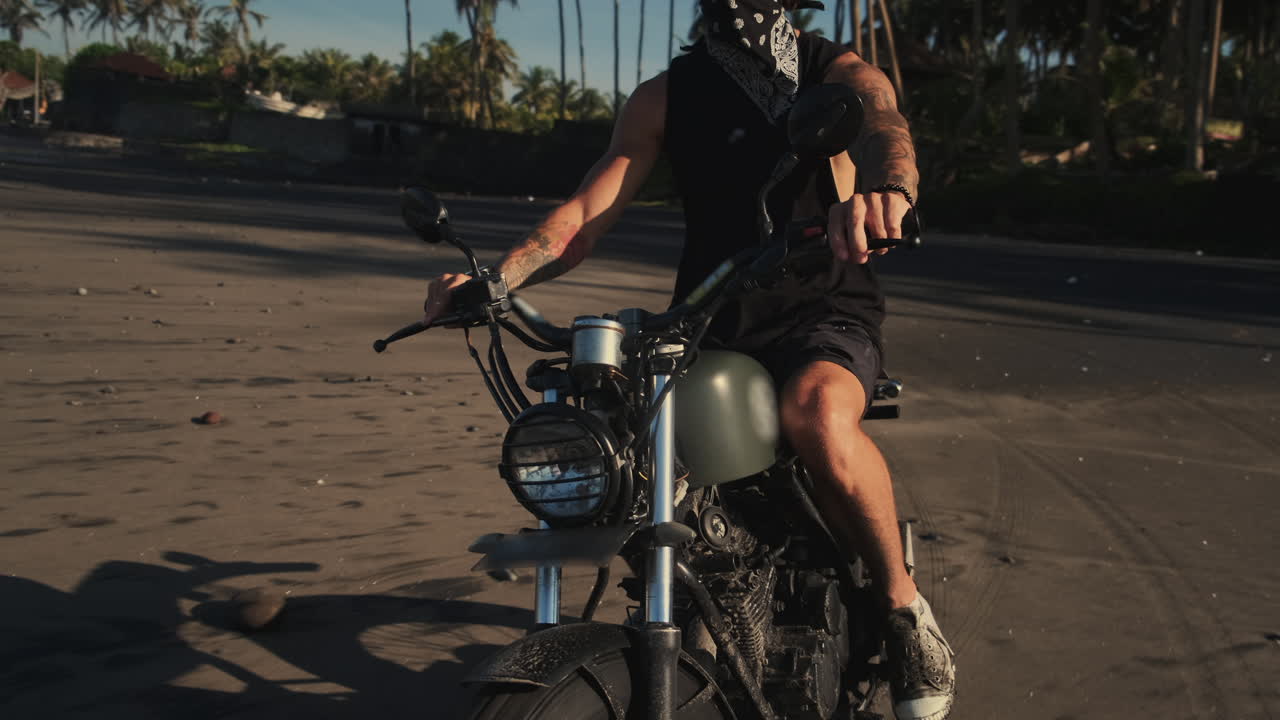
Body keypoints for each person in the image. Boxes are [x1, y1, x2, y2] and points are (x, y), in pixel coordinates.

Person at [422, 1, 956, 718]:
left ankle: (902, 609)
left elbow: (884, 126)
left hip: (822, 307)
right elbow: (585, 214)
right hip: (710, 317)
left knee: (818, 411)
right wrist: (500, 279)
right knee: (625, 439)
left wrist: (889, 193)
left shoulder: (832, 69)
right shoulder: (665, 96)